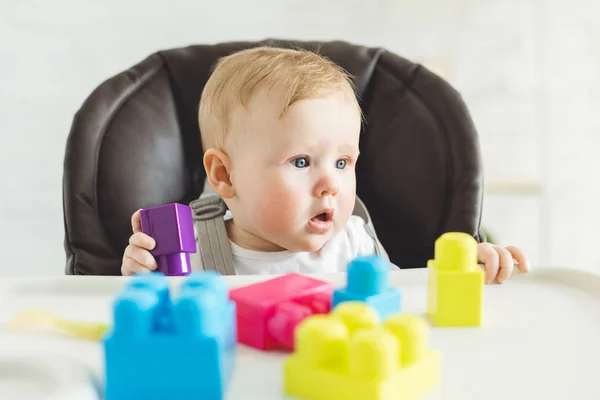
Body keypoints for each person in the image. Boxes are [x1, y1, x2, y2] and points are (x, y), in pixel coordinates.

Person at [120, 46, 530, 284]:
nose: (330, 184)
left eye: (342, 162)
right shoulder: (187, 249)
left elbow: (405, 299)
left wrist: (460, 273)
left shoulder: (352, 244)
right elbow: (156, 325)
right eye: (301, 161)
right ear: (225, 175)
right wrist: (142, 279)